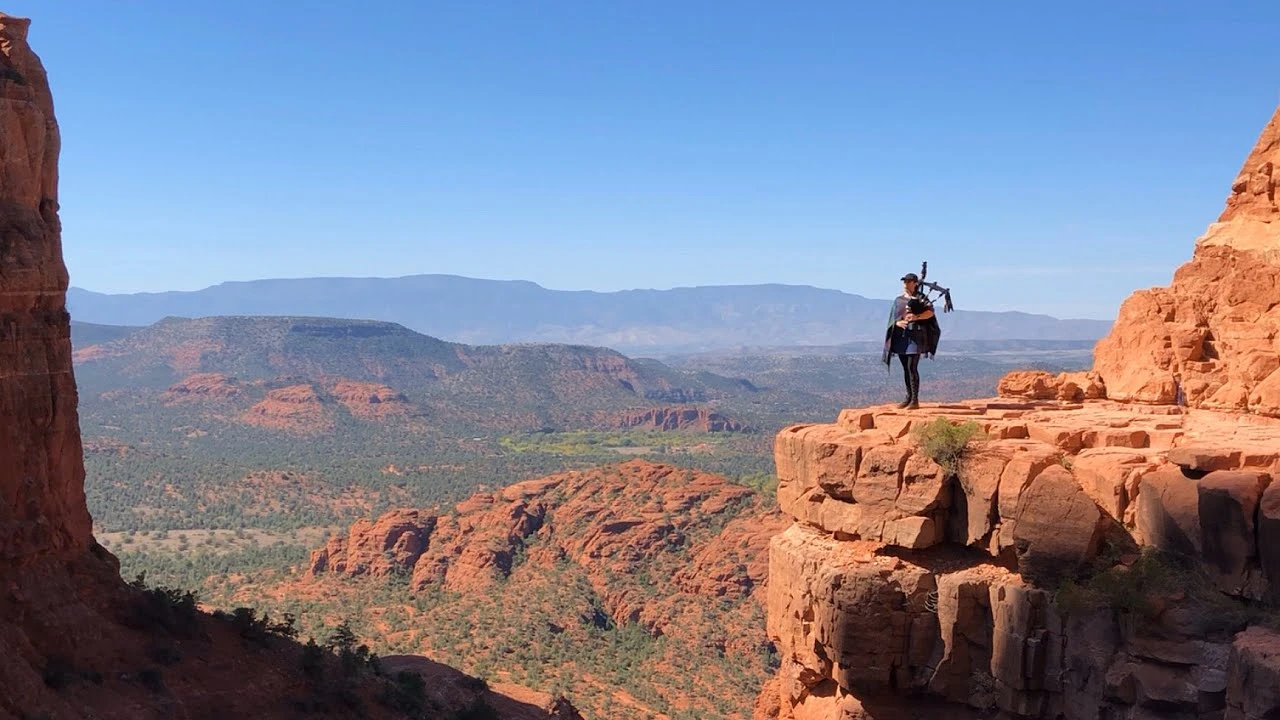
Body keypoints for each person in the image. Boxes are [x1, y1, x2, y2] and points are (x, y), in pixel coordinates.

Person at [882, 272, 940, 409]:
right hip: (902, 337)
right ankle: (908, 398)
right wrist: (897, 323)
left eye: (908, 281)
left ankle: (915, 400)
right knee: (905, 368)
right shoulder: (898, 300)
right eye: (904, 281)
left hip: (916, 337)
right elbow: (893, 318)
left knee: (911, 367)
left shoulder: (921, 298)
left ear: (915, 283)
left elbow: (930, 313)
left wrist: (917, 317)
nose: (906, 284)